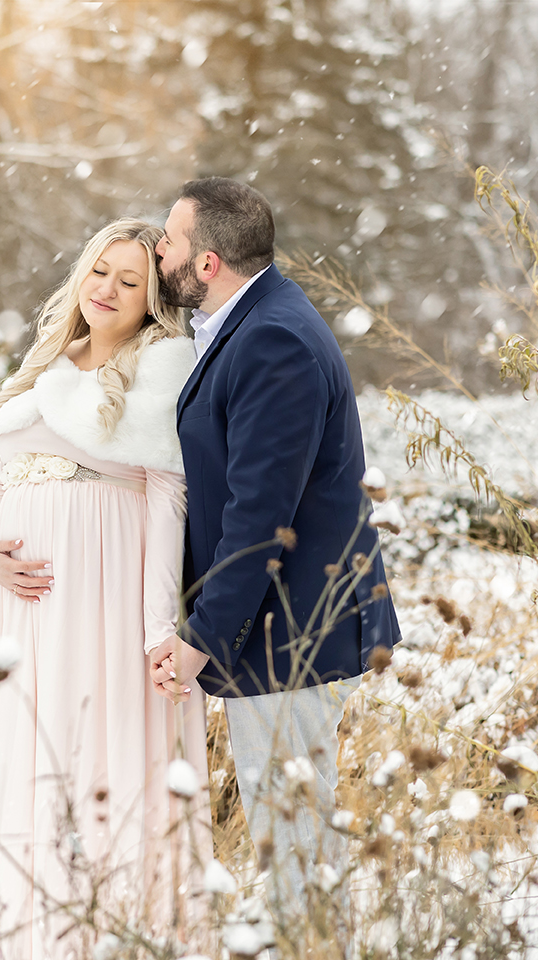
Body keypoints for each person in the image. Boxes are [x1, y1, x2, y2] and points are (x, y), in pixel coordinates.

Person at [147, 177, 401, 911]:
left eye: (171, 239)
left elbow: (260, 518)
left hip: (296, 633)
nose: (159, 248)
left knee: (297, 851)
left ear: (207, 264)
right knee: (294, 841)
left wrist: (202, 636)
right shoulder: (249, 323)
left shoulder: (273, 342)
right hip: (285, 630)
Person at [0, 218, 210, 958]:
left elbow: (170, 501)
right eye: (100, 271)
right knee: (36, 763)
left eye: (130, 280)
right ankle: (39, 937)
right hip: (26, 613)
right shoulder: (53, 360)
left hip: (106, 592)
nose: (108, 289)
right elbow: (4, 477)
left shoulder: (162, 364)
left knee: (106, 758)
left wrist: (157, 629)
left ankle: (118, 936)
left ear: (151, 299)